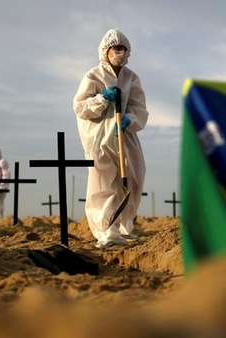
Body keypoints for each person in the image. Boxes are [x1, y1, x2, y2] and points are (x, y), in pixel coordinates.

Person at [73, 29, 149, 248]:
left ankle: (125, 226)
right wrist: (102, 99)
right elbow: (80, 107)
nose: (120, 52)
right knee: (104, 183)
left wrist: (129, 119)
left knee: (134, 177)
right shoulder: (93, 76)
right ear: (105, 51)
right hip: (101, 138)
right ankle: (106, 230)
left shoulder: (131, 78)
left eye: (123, 48)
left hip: (124, 136)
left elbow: (140, 108)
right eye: (116, 48)